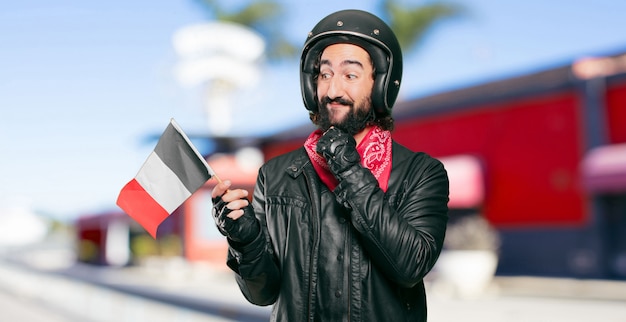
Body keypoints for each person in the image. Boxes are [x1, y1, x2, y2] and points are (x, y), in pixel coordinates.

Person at [211, 9, 449, 322]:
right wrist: (245, 239)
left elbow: (411, 266)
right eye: (324, 75)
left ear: (380, 85)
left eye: (350, 75)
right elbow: (262, 293)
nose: (333, 90)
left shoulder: (421, 173)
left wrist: (348, 170)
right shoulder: (274, 175)